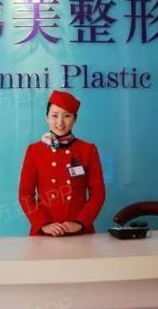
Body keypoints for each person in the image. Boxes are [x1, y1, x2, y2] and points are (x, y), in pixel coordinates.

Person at [18, 90, 105, 236]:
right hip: (44, 233)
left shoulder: (88, 150)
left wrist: (79, 222)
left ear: (75, 119)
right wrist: (43, 224)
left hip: (79, 232)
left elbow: (98, 194)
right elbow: (25, 195)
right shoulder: (34, 151)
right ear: (47, 117)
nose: (60, 122)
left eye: (67, 116)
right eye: (54, 115)